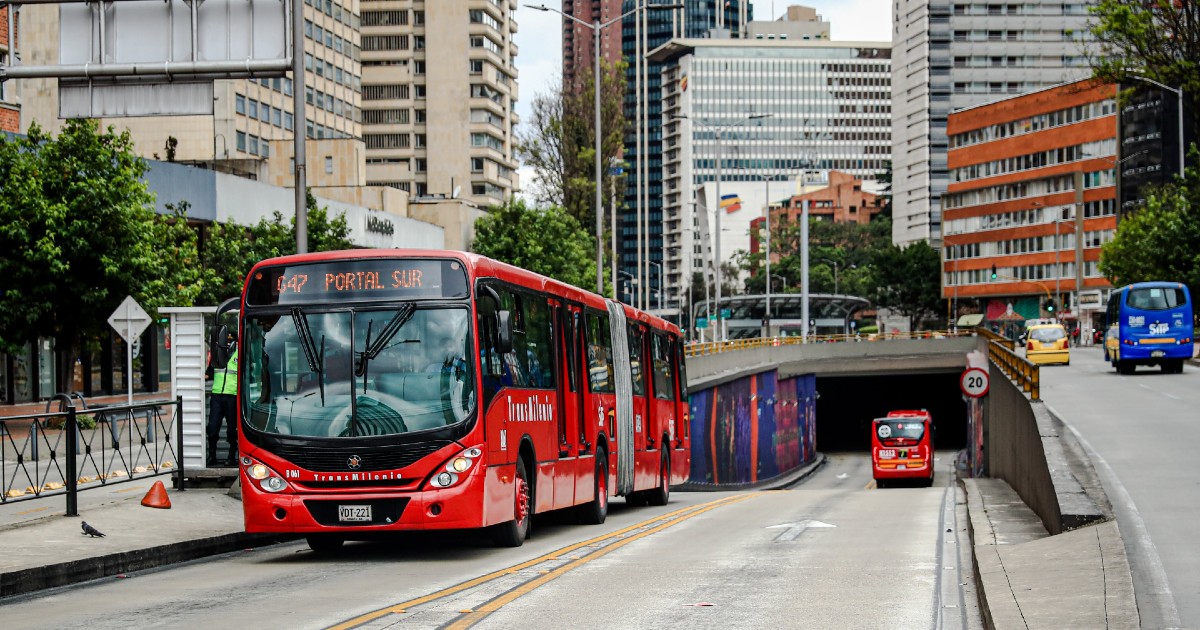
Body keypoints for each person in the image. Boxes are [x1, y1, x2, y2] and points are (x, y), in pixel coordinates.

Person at [207, 329, 239, 467]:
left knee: (232, 430)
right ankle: (212, 456)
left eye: (231, 340)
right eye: (226, 340)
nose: (228, 343)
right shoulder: (218, 353)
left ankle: (231, 456)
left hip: (232, 395)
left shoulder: (240, 353)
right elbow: (209, 372)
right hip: (217, 395)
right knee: (212, 428)